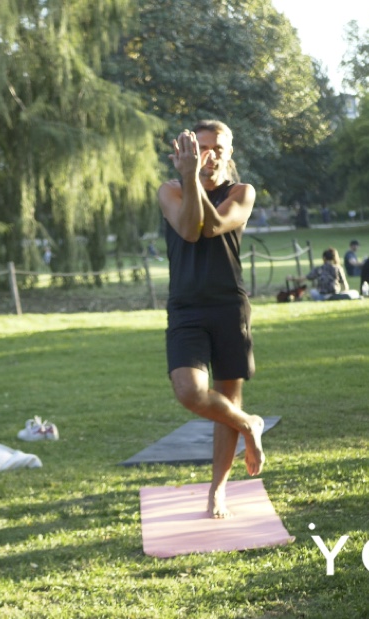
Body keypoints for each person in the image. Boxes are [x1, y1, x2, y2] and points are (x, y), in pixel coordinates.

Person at [158, 120, 266, 519]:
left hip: (228, 306)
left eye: (219, 147)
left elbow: (213, 226)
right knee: (189, 391)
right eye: (202, 147)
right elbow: (188, 230)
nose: (211, 154)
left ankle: (217, 490)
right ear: (187, 152)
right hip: (186, 307)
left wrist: (196, 183)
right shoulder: (170, 190)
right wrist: (189, 180)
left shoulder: (242, 191)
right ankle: (249, 425)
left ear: (230, 151)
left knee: (227, 395)